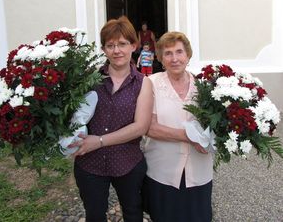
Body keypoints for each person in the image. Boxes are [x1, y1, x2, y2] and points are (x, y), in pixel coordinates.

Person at [68, 16, 153, 222]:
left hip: (128, 163)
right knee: (94, 215)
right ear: (104, 49)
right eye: (111, 45)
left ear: (134, 45)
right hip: (89, 163)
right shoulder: (89, 79)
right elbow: (72, 114)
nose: (117, 50)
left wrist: (99, 141)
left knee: (133, 213)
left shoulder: (143, 83)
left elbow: (140, 126)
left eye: (123, 44)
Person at [142, 31, 213, 222]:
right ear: (160, 59)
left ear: (188, 55)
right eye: (168, 53)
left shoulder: (204, 86)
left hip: (199, 170)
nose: (174, 59)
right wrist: (190, 136)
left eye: (179, 52)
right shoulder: (151, 83)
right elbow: (150, 127)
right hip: (162, 171)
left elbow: (214, 124)